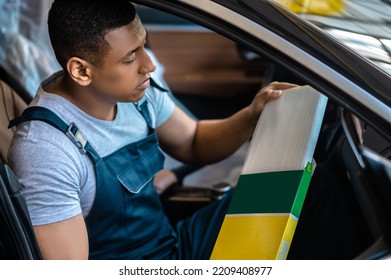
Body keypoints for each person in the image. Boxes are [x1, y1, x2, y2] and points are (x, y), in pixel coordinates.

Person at [8, 0, 296, 260]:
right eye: (131, 57)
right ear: (82, 71)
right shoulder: (46, 151)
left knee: (297, 189)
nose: (149, 64)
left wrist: (252, 115)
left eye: (144, 45)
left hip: (171, 247)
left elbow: (194, 141)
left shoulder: (137, 95)